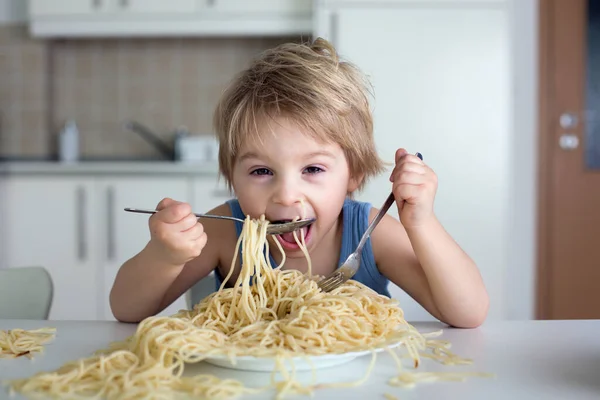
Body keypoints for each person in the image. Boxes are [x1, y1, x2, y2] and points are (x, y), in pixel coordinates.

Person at [109, 37, 489, 328]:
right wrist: (165, 256)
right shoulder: (227, 233)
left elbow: (468, 313)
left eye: (313, 170)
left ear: (353, 174)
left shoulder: (368, 234)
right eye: (261, 171)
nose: (287, 194)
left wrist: (422, 224)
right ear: (232, 178)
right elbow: (126, 310)